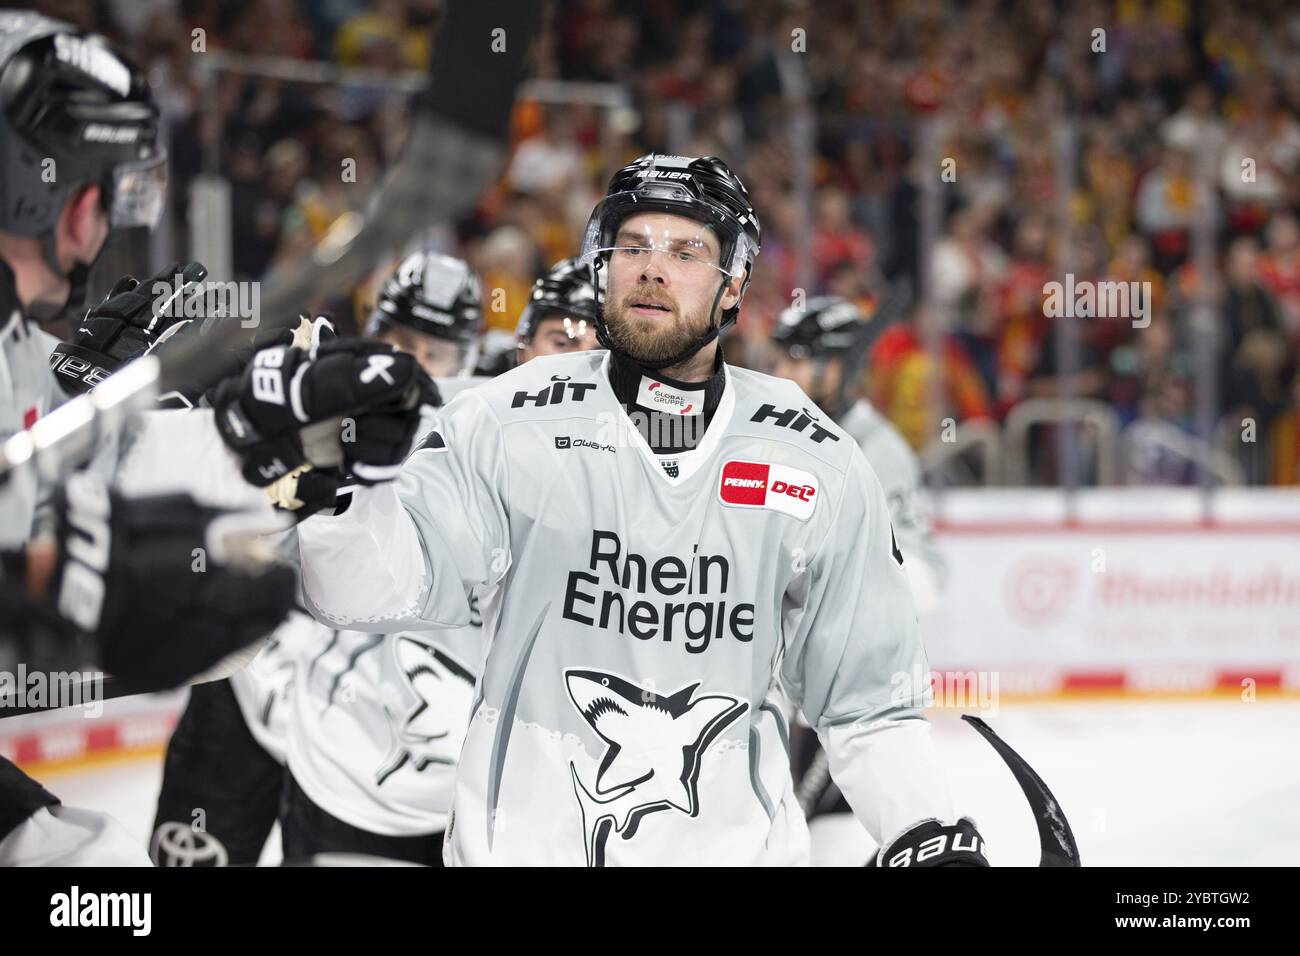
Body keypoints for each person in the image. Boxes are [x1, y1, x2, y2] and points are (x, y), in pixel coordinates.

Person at [217, 153, 985, 866]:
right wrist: (330, 495)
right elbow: (376, 590)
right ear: (601, 267)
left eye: (687, 252)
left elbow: (867, 702)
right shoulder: (507, 420)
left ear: (733, 286)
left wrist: (923, 829)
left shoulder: (812, 457)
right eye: (633, 246)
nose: (652, 268)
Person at [515, 257, 600, 364]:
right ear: (523, 347)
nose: (582, 363)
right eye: (562, 344)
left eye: (600, 354)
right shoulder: (492, 379)